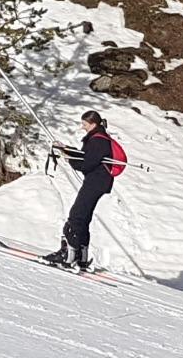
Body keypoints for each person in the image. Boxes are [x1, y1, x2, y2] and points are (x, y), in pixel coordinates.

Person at [44, 110, 116, 270]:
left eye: (84, 124)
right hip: (97, 182)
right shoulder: (99, 138)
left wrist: (69, 158)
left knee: (76, 216)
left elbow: (85, 164)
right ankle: (81, 256)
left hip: (96, 182)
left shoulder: (98, 141)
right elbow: (86, 157)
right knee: (83, 217)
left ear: (93, 124)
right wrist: (66, 149)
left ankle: (68, 256)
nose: (82, 127)